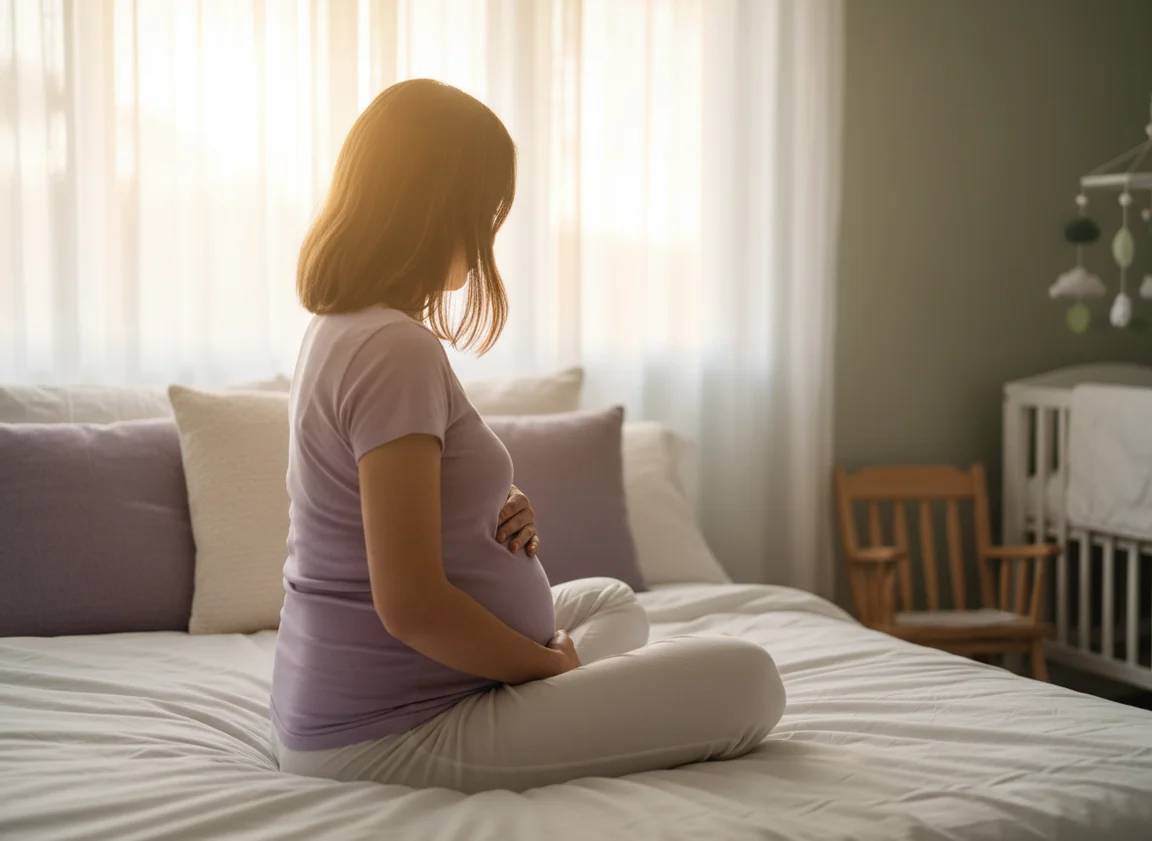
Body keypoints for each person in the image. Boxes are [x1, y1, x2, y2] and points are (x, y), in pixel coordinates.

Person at [269, 78, 786, 794]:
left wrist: (488, 503)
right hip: (392, 730)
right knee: (751, 679)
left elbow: (378, 507)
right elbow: (411, 604)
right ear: (435, 205)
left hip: (357, 706)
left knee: (612, 602)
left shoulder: (341, 329)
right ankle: (543, 697)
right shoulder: (395, 350)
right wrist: (551, 667)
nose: (489, 227)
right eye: (485, 207)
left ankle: (543, 692)